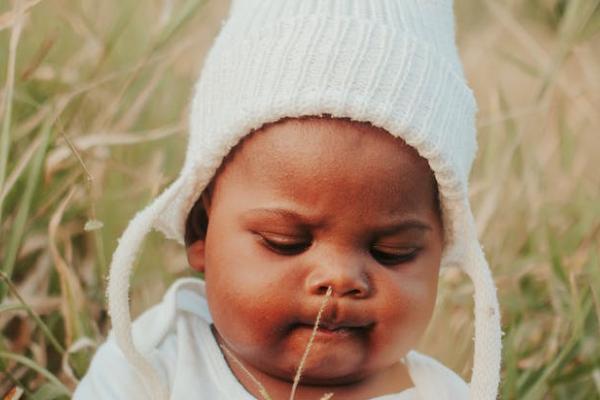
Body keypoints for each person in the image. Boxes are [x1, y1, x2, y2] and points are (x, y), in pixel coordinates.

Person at [74, 1, 502, 399]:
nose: (339, 277)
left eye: (393, 252)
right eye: (285, 241)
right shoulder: (150, 369)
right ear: (201, 231)